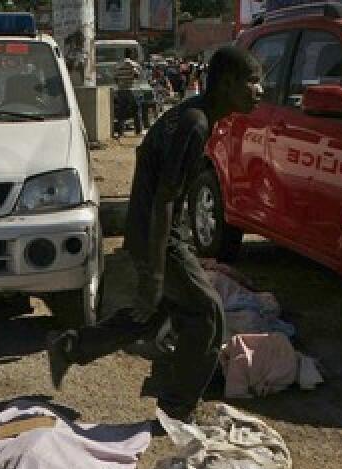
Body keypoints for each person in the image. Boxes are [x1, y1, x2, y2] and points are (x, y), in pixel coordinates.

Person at [46, 46, 263, 423]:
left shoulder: (195, 115)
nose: (259, 90)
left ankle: (70, 348)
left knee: (151, 315)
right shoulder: (194, 123)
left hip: (155, 233)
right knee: (208, 313)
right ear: (227, 83)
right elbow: (164, 200)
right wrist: (156, 271)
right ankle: (177, 409)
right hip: (157, 235)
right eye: (252, 81)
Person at [112, 54, 143, 136]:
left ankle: (120, 132)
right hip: (131, 90)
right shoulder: (132, 65)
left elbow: (115, 78)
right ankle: (138, 131)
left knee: (121, 111)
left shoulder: (118, 66)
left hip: (121, 90)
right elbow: (137, 75)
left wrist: (120, 83)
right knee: (136, 110)